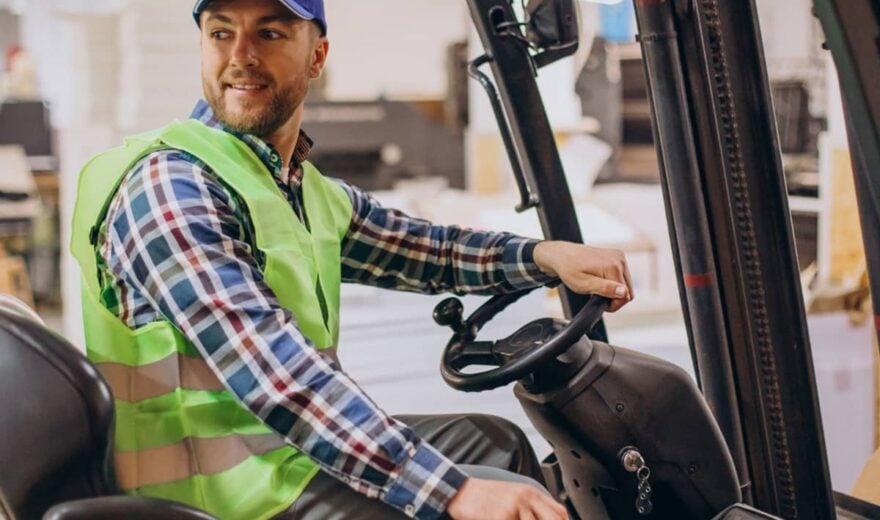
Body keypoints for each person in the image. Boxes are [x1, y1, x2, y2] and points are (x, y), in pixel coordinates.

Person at [69, 0, 634, 518]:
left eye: (268, 33)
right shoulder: (171, 189)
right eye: (221, 33)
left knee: (497, 443)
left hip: (282, 458)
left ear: (317, 57)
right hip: (215, 499)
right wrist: (453, 492)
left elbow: (423, 250)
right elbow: (279, 376)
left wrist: (541, 255)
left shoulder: (291, 185)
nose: (240, 56)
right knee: (477, 494)